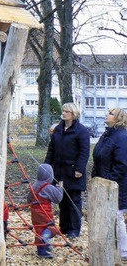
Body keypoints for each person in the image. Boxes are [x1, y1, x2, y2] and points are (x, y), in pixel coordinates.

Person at [44, 102, 89, 239]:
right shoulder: (58, 129)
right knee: (61, 199)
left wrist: (80, 168)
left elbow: (84, 151)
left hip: (73, 170)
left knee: (74, 200)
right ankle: (64, 228)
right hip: (59, 170)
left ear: (73, 114)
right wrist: (46, 166)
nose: (63, 113)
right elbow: (51, 149)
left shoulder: (81, 130)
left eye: (67, 111)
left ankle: (74, 229)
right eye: (63, 111)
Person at [92, 108, 127, 260]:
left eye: (111, 113)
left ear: (118, 118)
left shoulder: (122, 137)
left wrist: (109, 181)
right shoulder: (106, 135)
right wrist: (95, 179)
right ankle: (108, 249)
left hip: (117, 185)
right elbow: (98, 157)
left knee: (117, 216)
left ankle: (123, 252)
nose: (107, 115)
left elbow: (122, 164)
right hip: (101, 184)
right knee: (106, 216)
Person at [27, 163, 64, 258]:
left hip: (35, 214)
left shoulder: (34, 185)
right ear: (50, 175)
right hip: (44, 213)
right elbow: (58, 198)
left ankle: (41, 251)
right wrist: (60, 187)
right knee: (52, 228)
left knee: (39, 230)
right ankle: (45, 238)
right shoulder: (48, 187)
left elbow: (29, 198)